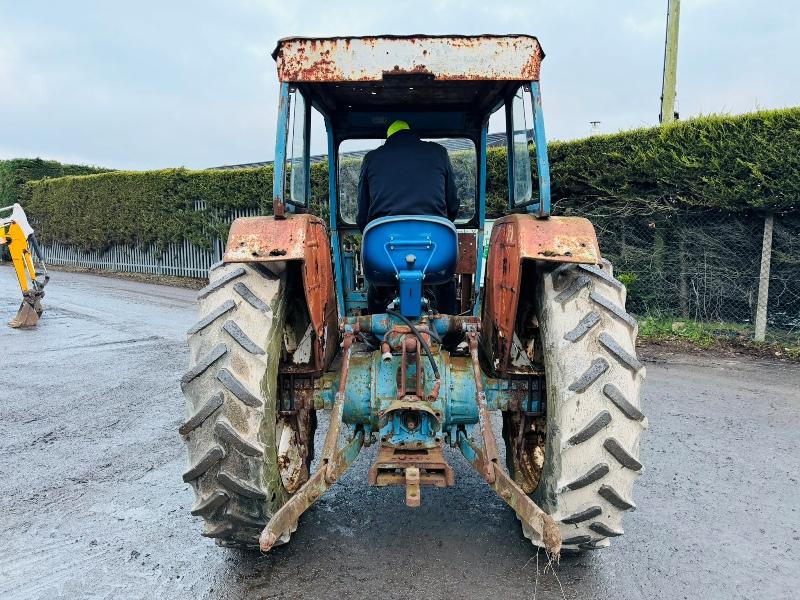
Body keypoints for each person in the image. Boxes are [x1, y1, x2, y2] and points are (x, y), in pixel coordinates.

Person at [357, 120, 460, 315]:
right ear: (411, 133)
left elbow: (363, 216)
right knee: (444, 281)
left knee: (378, 280)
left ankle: (373, 330)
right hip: (434, 248)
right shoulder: (439, 153)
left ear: (389, 138)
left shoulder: (372, 158)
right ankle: (451, 332)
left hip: (384, 250)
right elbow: (452, 206)